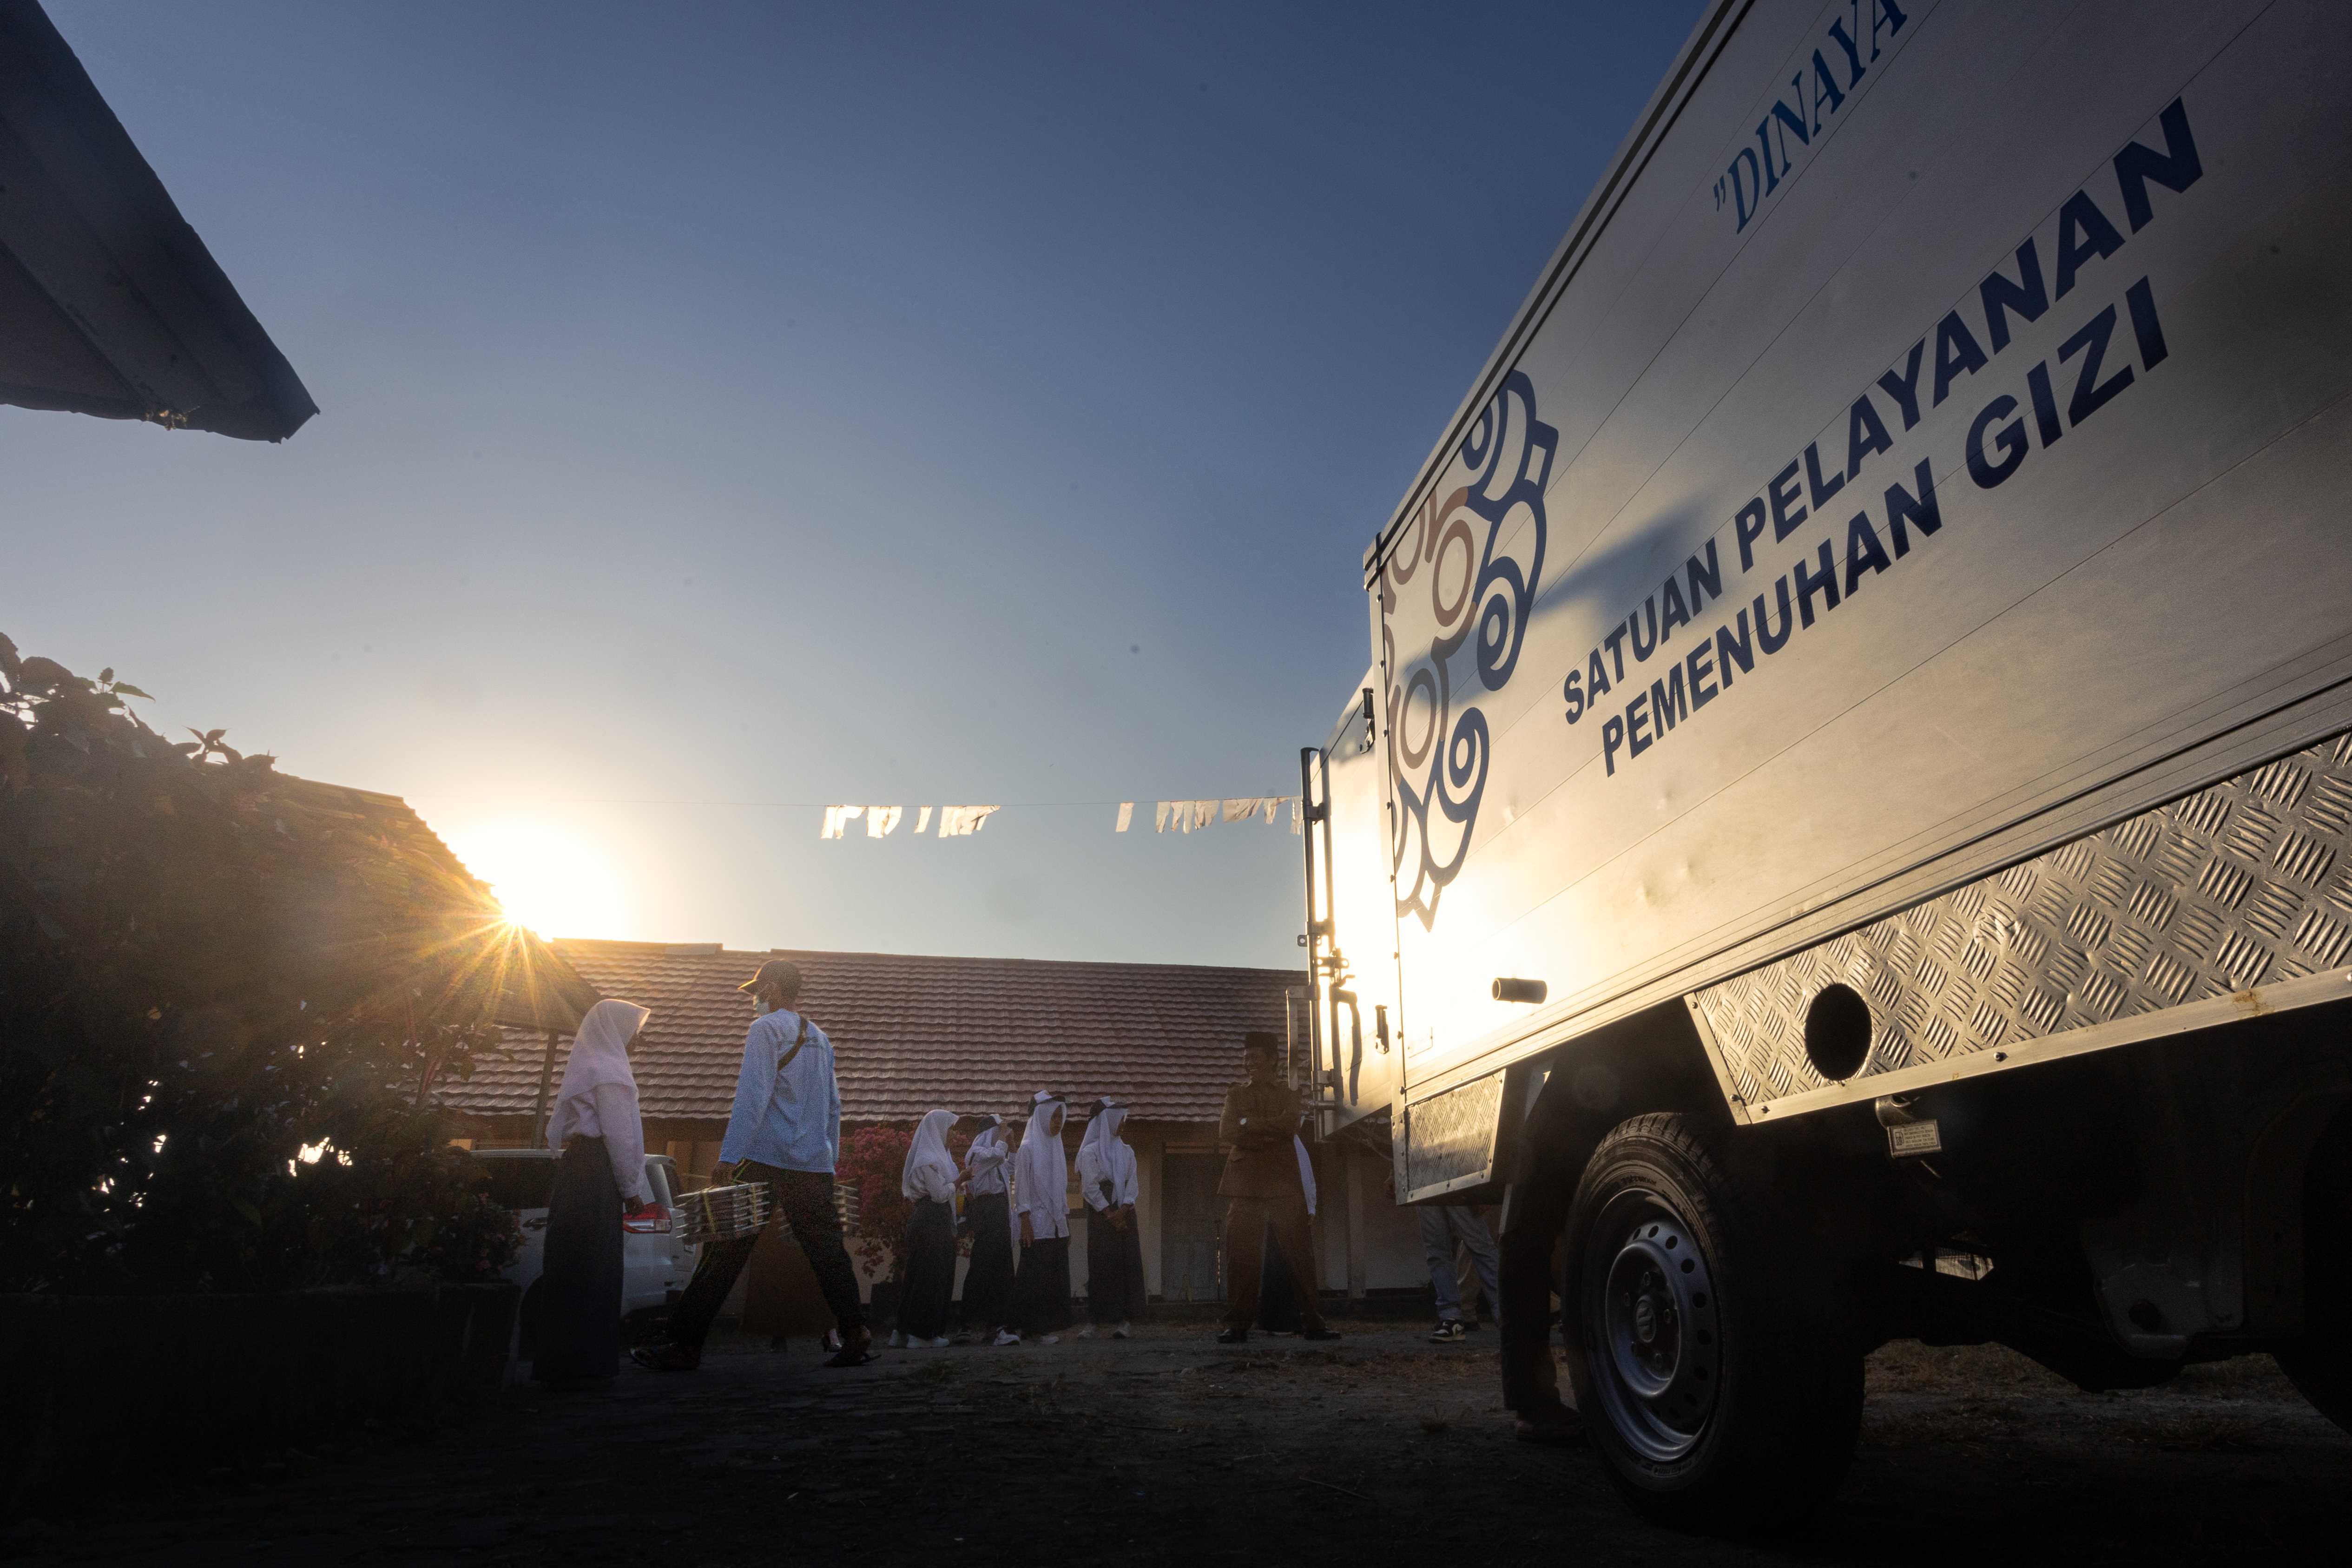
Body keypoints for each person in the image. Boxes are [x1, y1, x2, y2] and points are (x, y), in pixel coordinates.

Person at [633, 958, 872, 1370]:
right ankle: (855, 1331)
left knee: (724, 1250)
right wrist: (827, 1161)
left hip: (765, 1159)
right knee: (828, 1252)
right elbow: (834, 1107)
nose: (756, 999)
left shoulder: (766, 1030)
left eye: (760, 991)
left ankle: (684, 1345)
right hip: (813, 1165)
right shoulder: (821, 1037)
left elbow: (752, 1096)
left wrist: (728, 1158)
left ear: (777, 988)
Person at [536, 998, 657, 1385]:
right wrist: (631, 1187)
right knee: (594, 1266)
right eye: (634, 1031)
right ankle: (587, 1362)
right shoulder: (609, 1072)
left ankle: (558, 1361)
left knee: (567, 1264)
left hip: (576, 1172)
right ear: (616, 1030)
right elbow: (621, 1138)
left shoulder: (587, 1065)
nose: (638, 1039)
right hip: (596, 1173)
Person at [1217, 1034, 1337, 1344]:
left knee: (1299, 1256)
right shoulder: (1235, 1095)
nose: (1248, 1064)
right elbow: (1228, 1131)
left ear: (1272, 1059)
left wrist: (1250, 1125)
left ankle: (1314, 1324)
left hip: (1284, 1185)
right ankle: (1238, 1325)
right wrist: (1268, 1129)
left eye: (1254, 1058)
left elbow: (1290, 1126)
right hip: (1244, 1187)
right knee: (1240, 1257)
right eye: (1245, 1059)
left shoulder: (1290, 1093)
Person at [1005, 1091, 1073, 1343]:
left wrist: (1065, 1225)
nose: (1057, 1122)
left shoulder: (1056, 1147)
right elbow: (1021, 1188)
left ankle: (1039, 1329)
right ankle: (1014, 1328)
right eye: (1053, 1117)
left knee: (1049, 1280)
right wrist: (1025, 1221)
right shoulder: (1027, 1149)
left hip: (1055, 1225)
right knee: (1031, 1279)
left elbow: (1061, 1189)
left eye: (1060, 1117)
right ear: (1042, 1117)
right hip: (1035, 1224)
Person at [1074, 1098, 1143, 1339]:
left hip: (1124, 1212)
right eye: (1120, 1120)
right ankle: (1094, 1321)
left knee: (1124, 1265)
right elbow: (1089, 1187)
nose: (1123, 1125)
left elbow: (1132, 1182)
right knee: (1101, 1265)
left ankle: (1124, 1321)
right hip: (1100, 1213)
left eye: (1125, 1120)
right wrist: (1108, 1213)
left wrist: (1123, 1210)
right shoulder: (1090, 1152)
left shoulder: (1127, 1151)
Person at [891, 1109, 959, 1348]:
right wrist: (960, 1182)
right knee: (930, 1277)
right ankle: (921, 1334)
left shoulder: (940, 1157)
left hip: (931, 1219)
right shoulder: (928, 1159)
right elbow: (940, 1194)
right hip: (931, 1219)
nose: (953, 1136)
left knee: (918, 1275)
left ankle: (902, 1331)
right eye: (950, 1130)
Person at [956, 1114, 1019, 1346]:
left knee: (1001, 1268)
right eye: (998, 1131)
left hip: (999, 1210)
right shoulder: (977, 1154)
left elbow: (1011, 1165)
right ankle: (968, 1324)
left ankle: (997, 1325)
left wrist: (1011, 1143)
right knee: (982, 1267)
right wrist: (1003, 1137)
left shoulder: (996, 1157)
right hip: (987, 1210)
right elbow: (998, 1155)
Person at [1255, 1136, 1317, 1335]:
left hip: (1289, 1209)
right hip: (1279, 1209)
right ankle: (1278, 1322)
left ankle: (1287, 1320)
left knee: (1288, 1264)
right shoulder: (1283, 1144)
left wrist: (1310, 1207)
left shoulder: (1295, 1144)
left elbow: (1305, 1175)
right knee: (1278, 1263)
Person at [1420, 1202, 1503, 1343]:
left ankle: (1505, 1314)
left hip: (1460, 1187)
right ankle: (1451, 1318)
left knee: (1480, 1244)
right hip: (1424, 1188)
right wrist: (1393, 1178)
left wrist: (1480, 1192)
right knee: (1437, 1251)